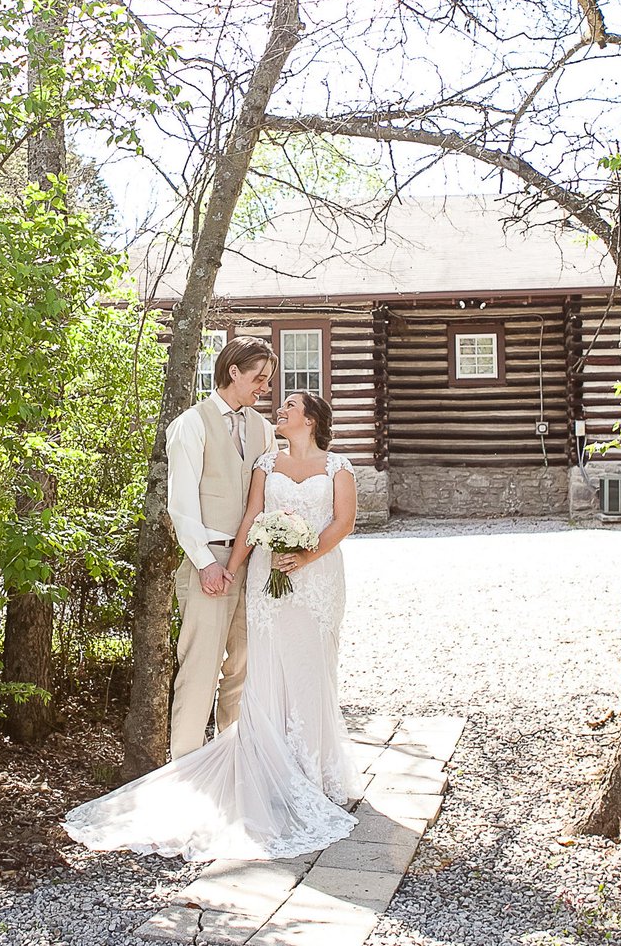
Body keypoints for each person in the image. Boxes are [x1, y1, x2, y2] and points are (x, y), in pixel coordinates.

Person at [63, 391, 361, 861]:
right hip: (265, 579)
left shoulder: (338, 467)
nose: (279, 409)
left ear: (311, 419)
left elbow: (344, 522)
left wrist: (305, 556)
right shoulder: (267, 463)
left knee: (312, 669)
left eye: (290, 405)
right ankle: (270, 772)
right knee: (266, 671)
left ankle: (314, 772)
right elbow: (251, 520)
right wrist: (231, 568)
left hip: (317, 579)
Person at [166, 336, 277, 761]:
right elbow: (181, 505)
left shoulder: (264, 430)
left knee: (243, 670)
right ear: (233, 371)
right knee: (200, 669)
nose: (265, 387)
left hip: (253, 564)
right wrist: (204, 563)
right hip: (208, 562)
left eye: (268, 380)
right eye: (259, 378)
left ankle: (233, 764)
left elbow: (270, 496)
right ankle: (185, 768)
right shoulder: (192, 424)